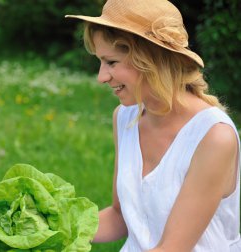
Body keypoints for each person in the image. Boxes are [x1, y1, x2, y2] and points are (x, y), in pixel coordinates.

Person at [66, 0, 241, 251]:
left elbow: (172, 247)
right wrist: (37, 232)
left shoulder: (214, 137)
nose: (101, 77)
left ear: (150, 59)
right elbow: (120, 217)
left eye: (111, 62)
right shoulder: (125, 118)